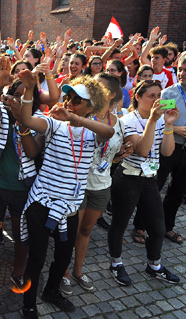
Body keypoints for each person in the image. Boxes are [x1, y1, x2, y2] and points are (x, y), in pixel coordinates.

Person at [0, 56, 59, 315]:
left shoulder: (40, 122)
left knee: (21, 239)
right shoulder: (3, 116)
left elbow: (31, 152)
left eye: (24, 96)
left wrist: (24, 123)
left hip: (24, 193)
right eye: (14, 96)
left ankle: (18, 275)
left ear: (33, 101)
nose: (17, 101)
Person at [19, 73, 113, 316]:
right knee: (37, 258)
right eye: (68, 97)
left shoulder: (93, 132)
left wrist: (76, 119)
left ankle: (51, 291)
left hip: (70, 206)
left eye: (76, 100)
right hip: (43, 202)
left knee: (63, 257)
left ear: (91, 106)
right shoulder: (54, 124)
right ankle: (28, 304)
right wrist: (30, 90)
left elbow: (109, 132)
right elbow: (27, 119)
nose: (69, 102)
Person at [59, 73, 132, 295]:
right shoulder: (78, 116)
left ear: (110, 95)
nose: (91, 89)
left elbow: (111, 156)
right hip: (77, 184)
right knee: (71, 231)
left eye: (98, 88)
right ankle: (64, 272)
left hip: (101, 185)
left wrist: (120, 154)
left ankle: (78, 271)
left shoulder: (118, 123)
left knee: (86, 230)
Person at [108, 80, 180, 287]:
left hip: (150, 179)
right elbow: (142, 150)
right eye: (151, 96)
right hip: (128, 178)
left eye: (160, 96)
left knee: (157, 228)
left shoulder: (159, 119)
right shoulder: (128, 119)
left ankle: (154, 265)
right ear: (137, 97)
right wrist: (153, 121)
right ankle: (116, 263)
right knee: (120, 225)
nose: (157, 100)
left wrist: (168, 125)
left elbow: (167, 152)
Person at [135, 55, 186, 245]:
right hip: (167, 148)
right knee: (153, 188)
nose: (181, 73)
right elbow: (154, 122)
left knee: (177, 191)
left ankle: (167, 226)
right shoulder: (167, 94)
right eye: (180, 69)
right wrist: (174, 129)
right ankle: (140, 226)